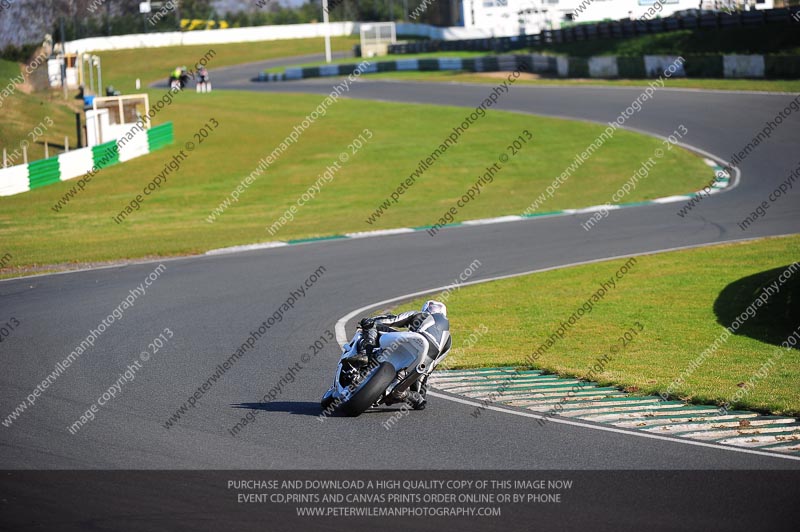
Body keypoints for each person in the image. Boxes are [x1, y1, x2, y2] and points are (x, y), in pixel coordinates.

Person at [352, 300, 451, 410]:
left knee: (371, 325)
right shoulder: (449, 341)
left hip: (412, 340)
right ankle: (403, 394)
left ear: (426, 309)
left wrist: (370, 321)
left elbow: (393, 320)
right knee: (419, 399)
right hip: (423, 360)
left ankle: (365, 354)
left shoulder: (421, 314)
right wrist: (419, 393)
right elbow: (429, 369)